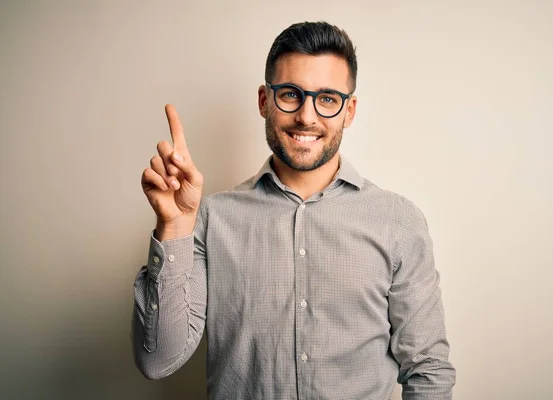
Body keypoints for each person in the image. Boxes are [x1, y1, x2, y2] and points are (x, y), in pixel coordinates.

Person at [132, 21, 456, 400]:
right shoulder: (209, 219)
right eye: (290, 94)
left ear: (349, 110)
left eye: (328, 98)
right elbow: (157, 362)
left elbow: (427, 370)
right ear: (263, 101)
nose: (306, 116)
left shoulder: (398, 221)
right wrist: (173, 226)